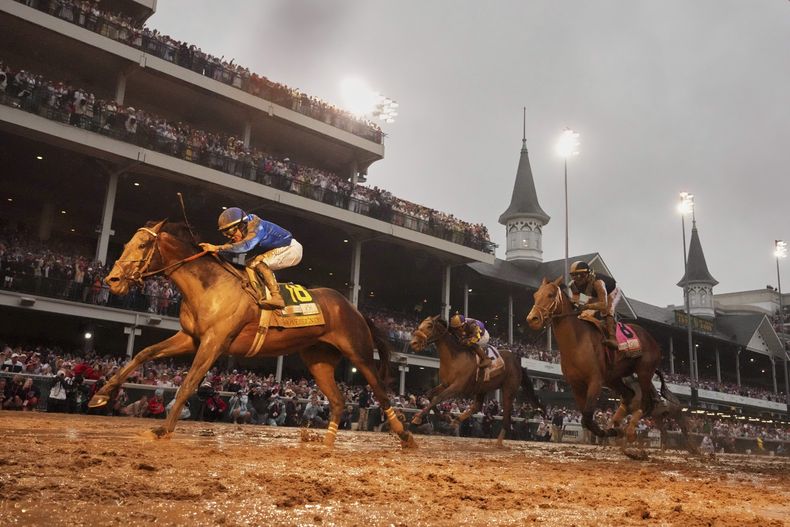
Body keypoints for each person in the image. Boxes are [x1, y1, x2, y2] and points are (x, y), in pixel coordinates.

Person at [199, 207, 303, 309]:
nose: (230, 237)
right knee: (249, 264)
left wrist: (217, 248)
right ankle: (261, 295)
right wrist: (217, 254)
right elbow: (233, 255)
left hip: (291, 248)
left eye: (230, 232)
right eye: (225, 234)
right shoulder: (244, 233)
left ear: (242, 226)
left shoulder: (257, 227)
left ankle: (277, 297)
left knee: (259, 263)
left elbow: (245, 247)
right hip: (278, 249)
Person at [568, 261, 618, 350]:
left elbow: (603, 304)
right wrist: (576, 306)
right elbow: (576, 300)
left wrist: (587, 306)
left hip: (611, 292)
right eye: (574, 275)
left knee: (606, 310)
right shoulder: (573, 285)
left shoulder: (598, 283)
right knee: (582, 312)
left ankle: (612, 338)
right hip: (595, 294)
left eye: (581, 275)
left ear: (588, 274)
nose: (578, 278)